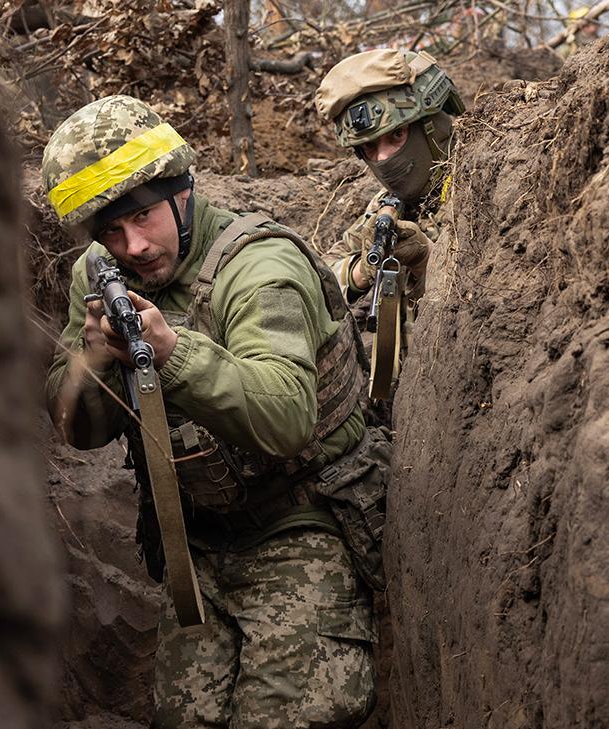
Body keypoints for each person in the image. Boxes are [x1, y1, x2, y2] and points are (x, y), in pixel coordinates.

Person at [42, 95, 390, 729]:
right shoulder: (98, 273)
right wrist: (95, 361)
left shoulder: (260, 266)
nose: (134, 246)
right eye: (111, 232)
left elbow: (286, 418)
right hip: (195, 542)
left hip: (301, 519)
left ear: (183, 191)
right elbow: (80, 430)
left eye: (144, 217)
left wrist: (171, 355)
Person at [314, 49, 465, 392]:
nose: (382, 159)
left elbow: (487, 302)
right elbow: (317, 279)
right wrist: (359, 272)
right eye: (369, 149)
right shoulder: (387, 206)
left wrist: (427, 261)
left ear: (432, 125)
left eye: (396, 136)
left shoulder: (483, 187)